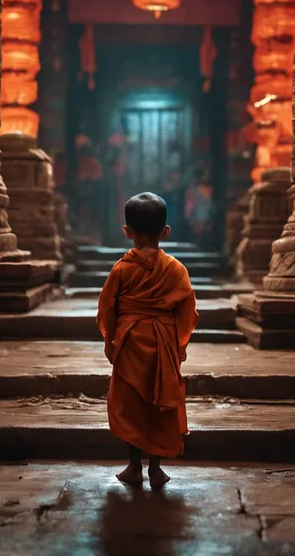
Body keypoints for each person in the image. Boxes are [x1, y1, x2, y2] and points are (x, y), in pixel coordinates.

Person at [97, 192, 199, 490]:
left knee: (131, 405)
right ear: (165, 232)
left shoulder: (121, 269)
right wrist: (178, 344)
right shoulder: (176, 270)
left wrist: (110, 340)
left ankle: (133, 466)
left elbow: (107, 310)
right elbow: (187, 312)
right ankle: (155, 469)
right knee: (159, 402)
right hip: (163, 343)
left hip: (130, 344)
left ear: (127, 231)